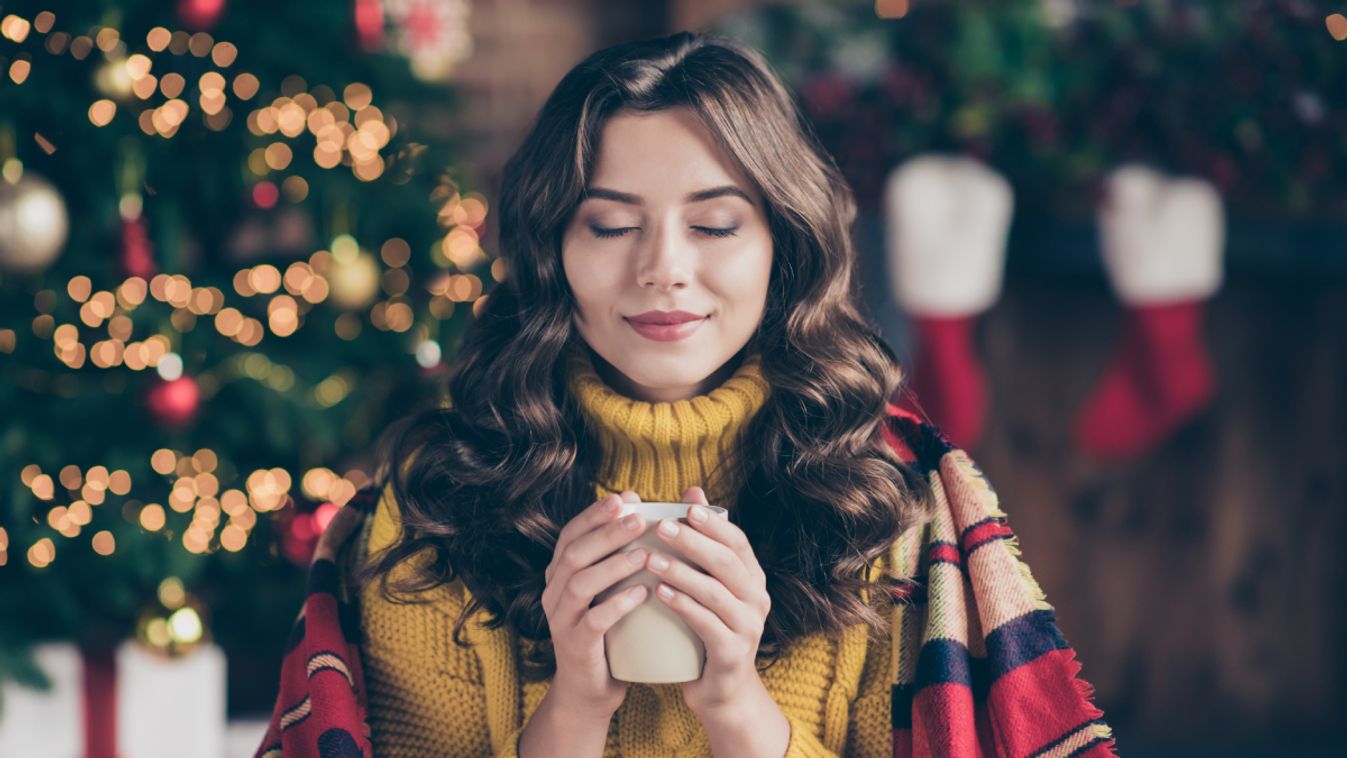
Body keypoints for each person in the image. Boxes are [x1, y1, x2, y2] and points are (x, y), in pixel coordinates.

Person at [255, 31, 1115, 758]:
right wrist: (575, 708)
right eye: (611, 224)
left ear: (784, 243)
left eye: (714, 224)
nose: (664, 268)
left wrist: (737, 703)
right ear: (552, 247)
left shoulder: (884, 501)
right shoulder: (439, 501)